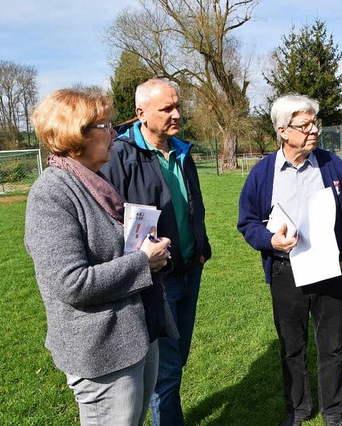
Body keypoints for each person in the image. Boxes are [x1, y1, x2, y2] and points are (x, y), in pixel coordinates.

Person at [25, 89, 178, 426]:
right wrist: (142, 263)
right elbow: (71, 283)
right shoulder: (52, 193)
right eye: (105, 126)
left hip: (137, 334)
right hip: (102, 352)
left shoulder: (94, 182)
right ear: (76, 134)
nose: (114, 134)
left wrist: (149, 251)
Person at [237, 94, 342, 426]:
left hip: (331, 271)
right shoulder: (263, 173)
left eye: (314, 123)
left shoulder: (331, 165)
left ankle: (333, 412)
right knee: (292, 349)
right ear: (283, 130)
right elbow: (247, 222)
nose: (314, 130)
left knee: (332, 347)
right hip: (286, 272)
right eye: (304, 125)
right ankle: (297, 410)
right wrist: (270, 241)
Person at [101, 78, 211, 426]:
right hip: (155, 278)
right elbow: (107, 218)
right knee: (164, 372)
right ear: (141, 113)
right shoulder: (121, 154)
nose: (177, 114)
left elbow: (193, 204)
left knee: (177, 360)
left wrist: (202, 247)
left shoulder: (181, 150)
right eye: (167, 109)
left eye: (178, 106)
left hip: (190, 270)